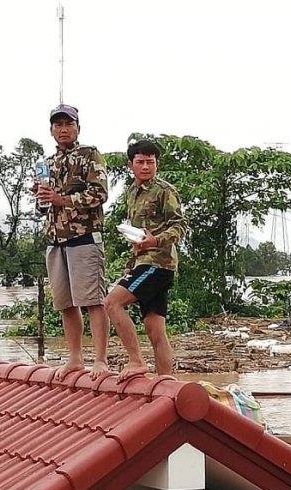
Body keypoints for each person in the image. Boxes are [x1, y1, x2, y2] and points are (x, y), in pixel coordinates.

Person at [36, 104, 110, 379]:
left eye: (68, 124)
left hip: (84, 237)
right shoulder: (46, 163)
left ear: (78, 127)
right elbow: (43, 207)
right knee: (65, 304)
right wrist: (42, 197)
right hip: (55, 239)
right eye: (58, 125)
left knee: (93, 300)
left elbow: (99, 194)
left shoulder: (90, 155)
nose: (63, 129)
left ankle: (100, 360)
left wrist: (62, 199)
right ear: (52, 130)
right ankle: (75, 358)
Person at [104, 140, 187, 381]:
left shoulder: (164, 190)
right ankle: (166, 384)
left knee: (112, 303)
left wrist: (156, 241)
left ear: (157, 164)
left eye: (150, 162)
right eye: (140, 162)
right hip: (142, 261)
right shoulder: (131, 192)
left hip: (157, 263)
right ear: (131, 165)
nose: (145, 166)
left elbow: (180, 224)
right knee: (155, 330)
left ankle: (136, 361)